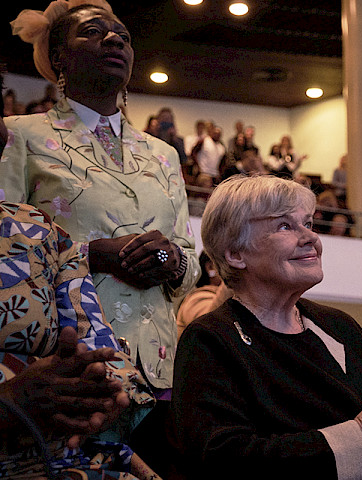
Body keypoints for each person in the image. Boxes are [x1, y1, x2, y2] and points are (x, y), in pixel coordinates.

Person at [167, 175, 362, 480]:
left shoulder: (339, 327)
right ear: (236, 254)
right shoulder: (210, 339)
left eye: (308, 223)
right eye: (285, 225)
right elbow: (222, 461)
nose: (311, 238)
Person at [0, 2, 199, 469]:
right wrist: (89, 256)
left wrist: (172, 260)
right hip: (67, 371)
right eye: (92, 32)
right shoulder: (21, 136)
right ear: (60, 58)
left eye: (123, 36)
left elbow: (189, 265)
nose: (114, 41)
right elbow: (5, 247)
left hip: (158, 372)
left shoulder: (164, 154)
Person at [0, 201, 157, 479]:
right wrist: (11, 400)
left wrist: (99, 391)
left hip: (59, 457)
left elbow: (97, 340)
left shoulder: (38, 228)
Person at [176, 251, 233, 340]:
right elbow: (210, 322)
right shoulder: (196, 299)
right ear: (210, 267)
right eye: (227, 263)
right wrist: (232, 277)